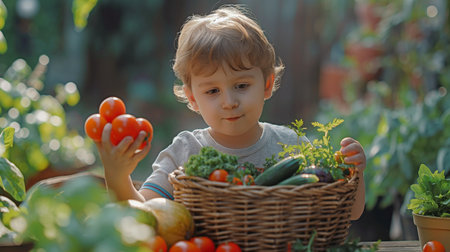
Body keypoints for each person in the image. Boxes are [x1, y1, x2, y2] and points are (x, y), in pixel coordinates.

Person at [95, 5, 366, 220]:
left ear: (267, 85)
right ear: (193, 98)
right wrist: (117, 176)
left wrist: (356, 173)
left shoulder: (293, 146)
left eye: (241, 85)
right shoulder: (184, 151)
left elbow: (350, 213)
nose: (229, 102)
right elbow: (143, 215)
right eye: (212, 91)